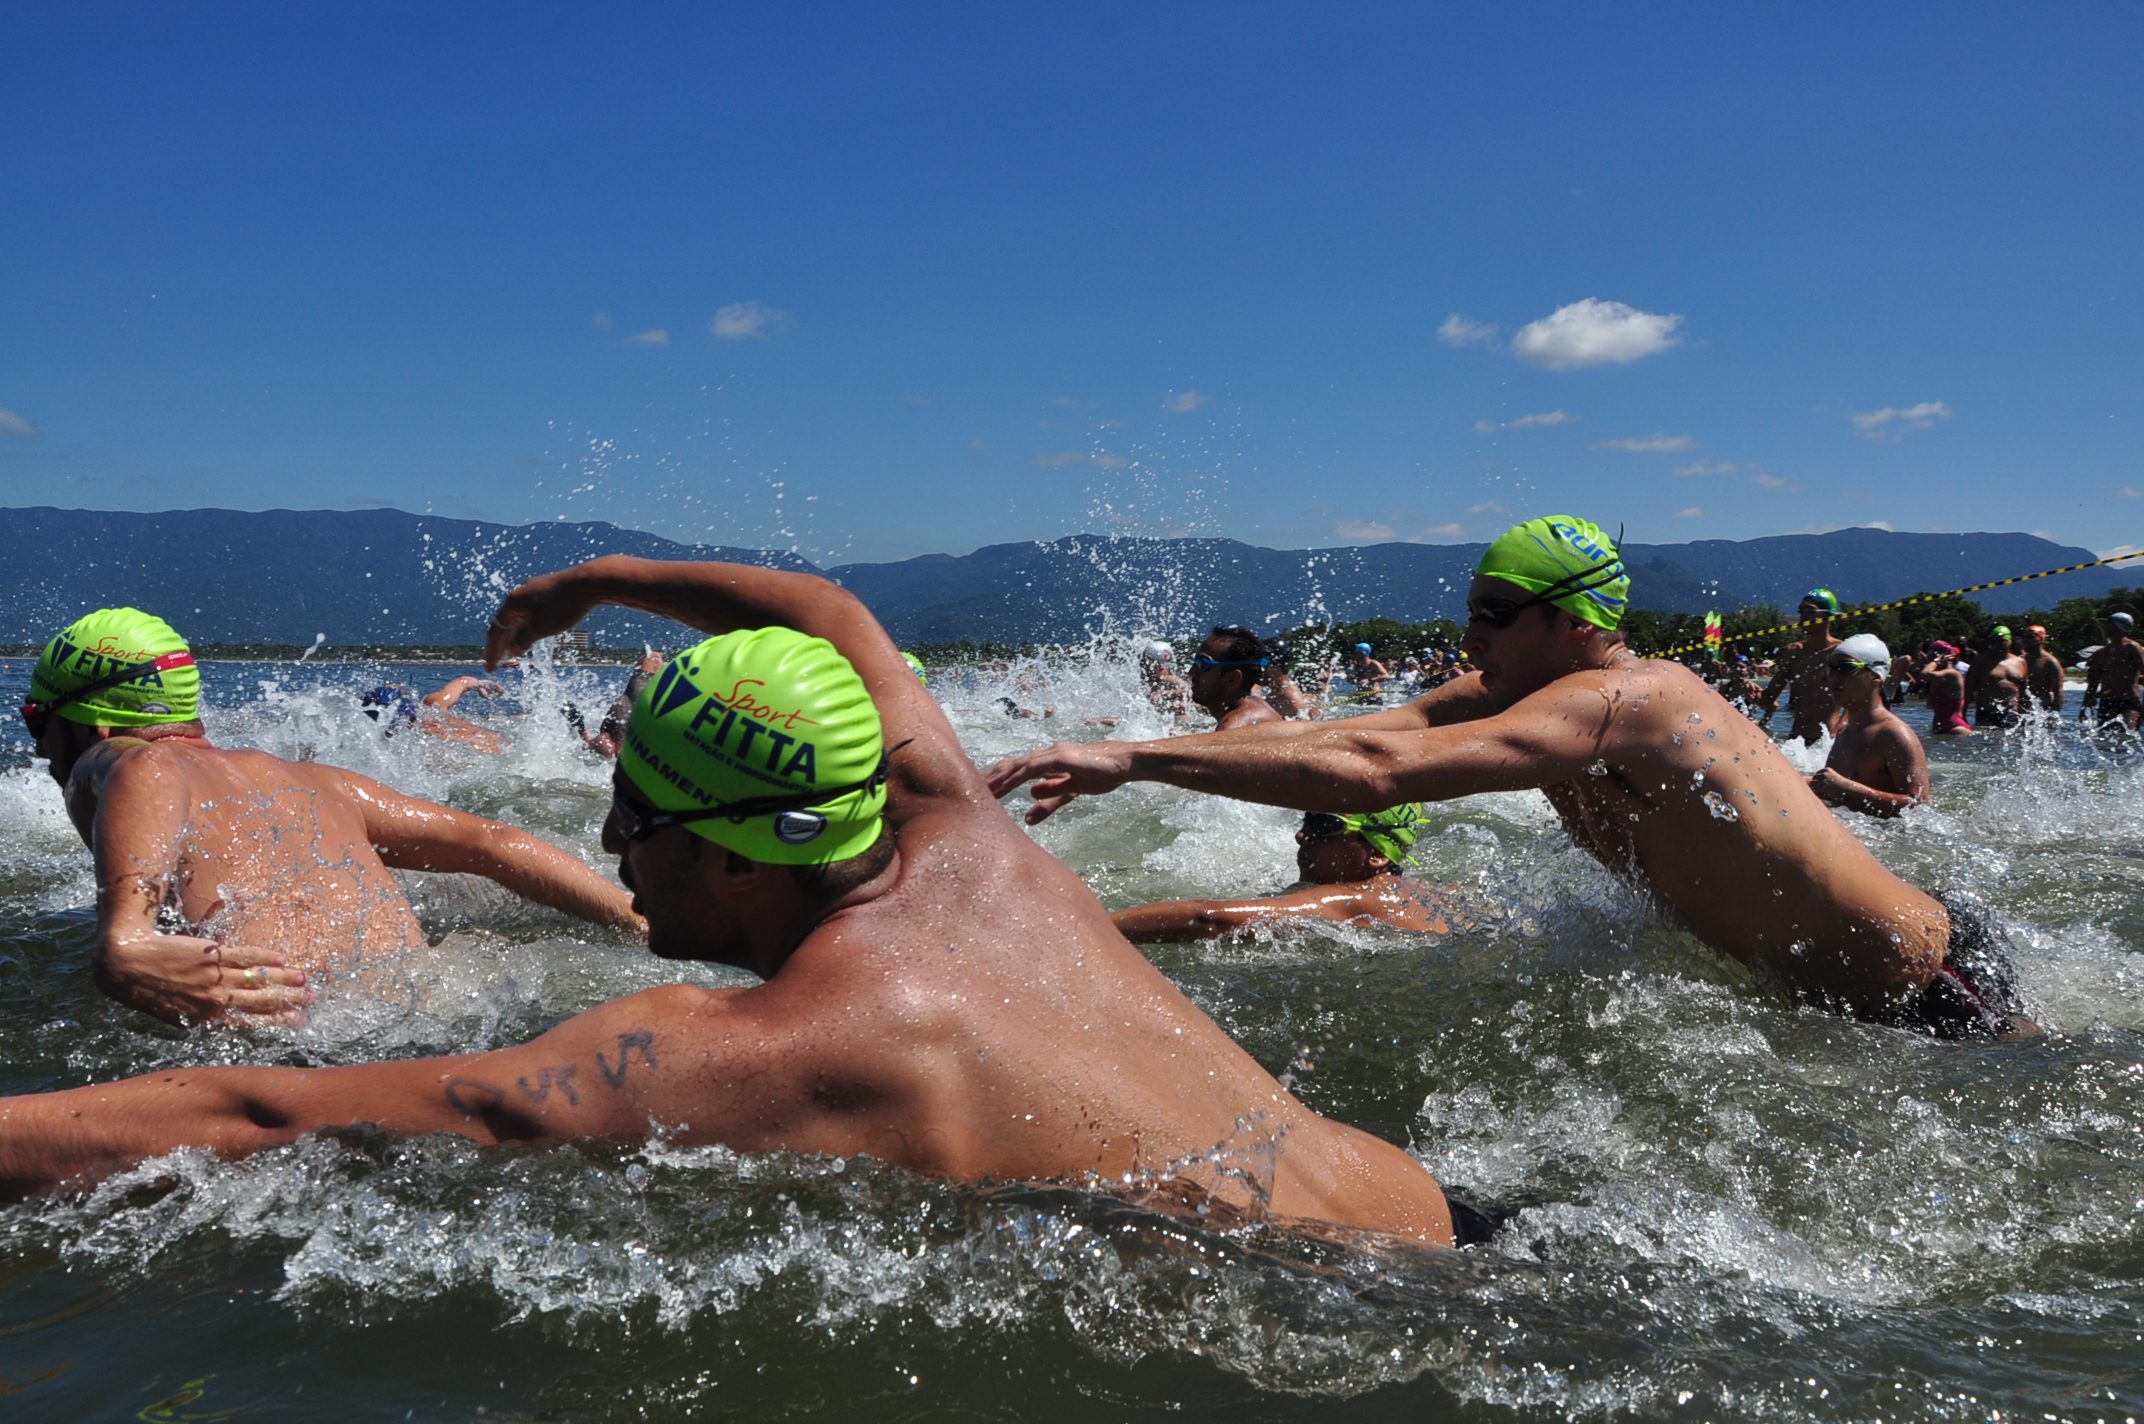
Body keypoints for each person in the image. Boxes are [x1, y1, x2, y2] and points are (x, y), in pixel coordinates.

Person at [0, 563, 1463, 1248]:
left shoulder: (758, 1043)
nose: (611, 843)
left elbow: (261, 1117)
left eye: (636, 817)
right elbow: (831, 616)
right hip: (1456, 1217)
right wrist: (604, 584)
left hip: (1397, 1317)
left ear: (744, 857)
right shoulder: (971, 845)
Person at [989, 516, 2025, 1039]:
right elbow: (1371, 726)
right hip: (1825, 996)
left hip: (1926, 987)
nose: (1465, 631)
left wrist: (1128, 757)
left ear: (1575, 622)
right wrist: (1131, 760)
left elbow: (1372, 770)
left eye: (1491, 611)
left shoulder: (1637, 699)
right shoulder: (1513, 692)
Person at [21, 609, 645, 1027]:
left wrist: (123, 942)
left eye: (37, 721)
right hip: (437, 1004)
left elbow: (141, 768)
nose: (40, 748)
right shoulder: (322, 783)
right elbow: (492, 841)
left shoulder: (116, 760)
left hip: (304, 1030)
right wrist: (638, 921)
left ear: (95, 722)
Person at [1111, 804, 1454, 942]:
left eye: (1325, 825)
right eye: (1306, 820)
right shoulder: (1423, 892)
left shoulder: (1352, 897)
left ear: (1378, 853)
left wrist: (1097, 925)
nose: (1301, 835)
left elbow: (1209, 918)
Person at [1809, 635, 1929, 818]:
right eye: (1831, 668)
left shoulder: (1894, 734)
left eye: (1845, 668)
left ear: (1876, 677)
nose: (1833, 676)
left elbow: (1920, 808)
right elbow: (1833, 791)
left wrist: (1846, 790)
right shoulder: (1845, 731)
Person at [1756, 589, 1844, 744]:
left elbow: (1861, 700)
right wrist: (1755, 695)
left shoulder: (1841, 652)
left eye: (1810, 611)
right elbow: (1768, 699)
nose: (1803, 616)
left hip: (1827, 742)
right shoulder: (1794, 652)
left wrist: (1841, 728)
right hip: (1796, 743)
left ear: (1827, 615)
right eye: (1801, 611)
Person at [362, 674, 506, 753]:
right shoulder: (432, 708)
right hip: (501, 745)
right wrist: (479, 683)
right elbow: (463, 681)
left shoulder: (409, 751)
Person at [1187, 626, 1281, 731]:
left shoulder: (1234, 726)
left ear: (1232, 679)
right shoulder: (1252, 709)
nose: (1190, 672)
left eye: (1202, 664)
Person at [2080, 612, 2142, 731]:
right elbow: (2093, 683)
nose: (2105, 627)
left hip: (2128, 702)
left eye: (2108, 623)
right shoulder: (2100, 654)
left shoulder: (2132, 648)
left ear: (2118, 626)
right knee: (2104, 738)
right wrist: (2085, 705)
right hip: (2107, 702)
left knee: (2128, 735)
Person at [1922, 641, 1972, 736]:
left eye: (1932, 655)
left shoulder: (1952, 674)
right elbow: (1930, 705)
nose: (1930, 659)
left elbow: (1924, 674)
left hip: (1956, 729)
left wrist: (1936, 661)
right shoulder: (1938, 678)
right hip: (1941, 730)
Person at [2015, 624, 2065, 715]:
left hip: (2042, 711)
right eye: (2025, 637)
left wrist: (2054, 715)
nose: (2026, 640)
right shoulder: (2020, 660)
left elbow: (2059, 692)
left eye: (2030, 637)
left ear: (2041, 639)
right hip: (2022, 711)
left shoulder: (2050, 663)